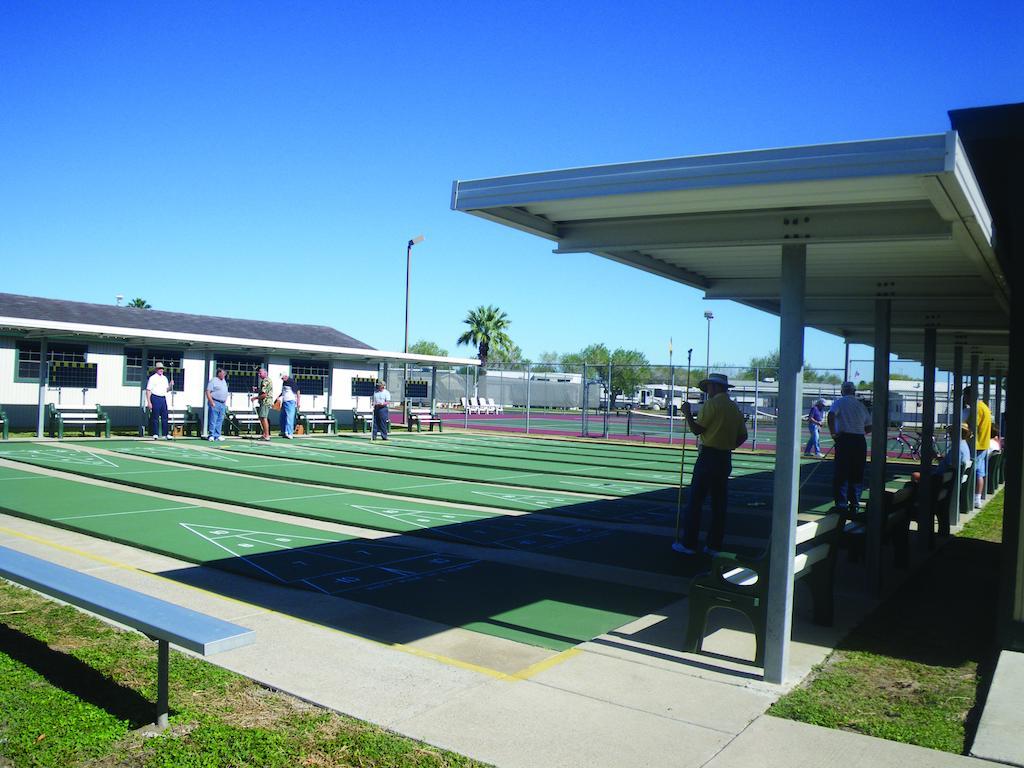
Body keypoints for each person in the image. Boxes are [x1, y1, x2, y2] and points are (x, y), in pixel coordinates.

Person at [677, 372, 748, 555]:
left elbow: (696, 430)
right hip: (725, 458)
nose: (707, 390)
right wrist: (729, 446)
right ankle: (714, 545)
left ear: (715, 387)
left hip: (708, 456)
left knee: (695, 502)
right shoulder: (734, 407)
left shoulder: (712, 404)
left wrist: (687, 414)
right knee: (719, 504)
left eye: (709, 386)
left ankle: (689, 544)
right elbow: (743, 436)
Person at [827, 381, 872, 511]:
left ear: (842, 391)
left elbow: (831, 415)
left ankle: (841, 504)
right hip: (859, 439)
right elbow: (869, 426)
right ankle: (855, 504)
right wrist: (859, 431)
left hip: (844, 438)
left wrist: (834, 434)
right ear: (854, 391)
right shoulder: (861, 405)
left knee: (841, 473)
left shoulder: (839, 402)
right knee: (857, 473)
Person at [963, 386, 993, 508]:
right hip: (984, 443)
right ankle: (977, 498)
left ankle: (972, 498)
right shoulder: (984, 407)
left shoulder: (977, 408)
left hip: (977, 445)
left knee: (972, 472)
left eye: (965, 395)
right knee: (980, 473)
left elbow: (971, 427)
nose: (964, 398)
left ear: (969, 396)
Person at [145, 362, 173, 440]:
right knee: (155, 417)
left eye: (162, 369)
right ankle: (155, 433)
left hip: (163, 398)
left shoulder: (165, 378)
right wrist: (149, 402)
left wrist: (171, 385)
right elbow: (148, 390)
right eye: (159, 368)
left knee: (165, 416)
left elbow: (167, 390)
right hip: (155, 397)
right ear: (156, 369)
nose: (161, 370)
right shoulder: (152, 378)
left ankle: (165, 433)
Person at [250, 367, 273, 441]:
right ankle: (264, 434)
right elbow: (263, 390)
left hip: (265, 402)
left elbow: (264, 395)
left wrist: (255, 398)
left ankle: (266, 435)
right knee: (261, 417)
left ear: (265, 373)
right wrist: (257, 389)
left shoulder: (265, 381)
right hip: (264, 402)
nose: (258, 374)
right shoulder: (265, 380)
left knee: (263, 418)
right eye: (258, 373)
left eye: (260, 373)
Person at [205, 367, 228, 441]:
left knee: (220, 420)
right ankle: (211, 435)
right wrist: (211, 402)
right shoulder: (213, 380)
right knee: (213, 419)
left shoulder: (224, 381)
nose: (224, 375)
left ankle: (217, 435)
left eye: (225, 374)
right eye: (223, 373)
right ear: (219, 373)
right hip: (215, 402)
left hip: (222, 403)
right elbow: (208, 392)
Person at [278, 373, 301, 439]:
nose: (282, 379)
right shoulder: (284, 382)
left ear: (286, 376)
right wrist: (278, 397)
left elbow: (298, 391)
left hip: (290, 401)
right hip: (284, 401)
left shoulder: (291, 382)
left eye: (282, 378)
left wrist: (298, 402)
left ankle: (289, 433)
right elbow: (283, 392)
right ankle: (283, 431)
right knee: (282, 417)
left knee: (289, 418)